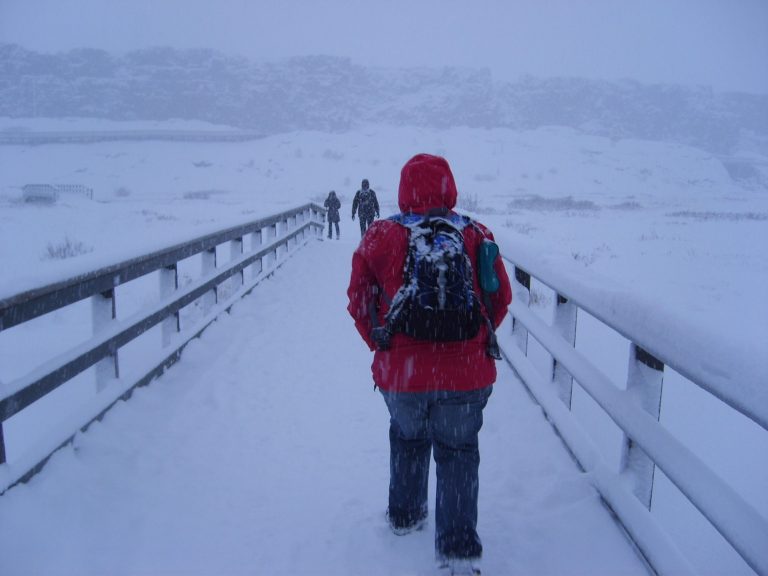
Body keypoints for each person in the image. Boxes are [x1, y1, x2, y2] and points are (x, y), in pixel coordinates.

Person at [346, 154, 512, 573]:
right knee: (458, 452)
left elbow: (358, 299)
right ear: (449, 187)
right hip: (466, 376)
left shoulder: (381, 235)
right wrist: (473, 341)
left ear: (404, 189)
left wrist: (381, 344)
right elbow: (500, 298)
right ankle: (457, 551)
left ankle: (406, 517)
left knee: (408, 438)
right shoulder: (476, 234)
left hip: (402, 376)